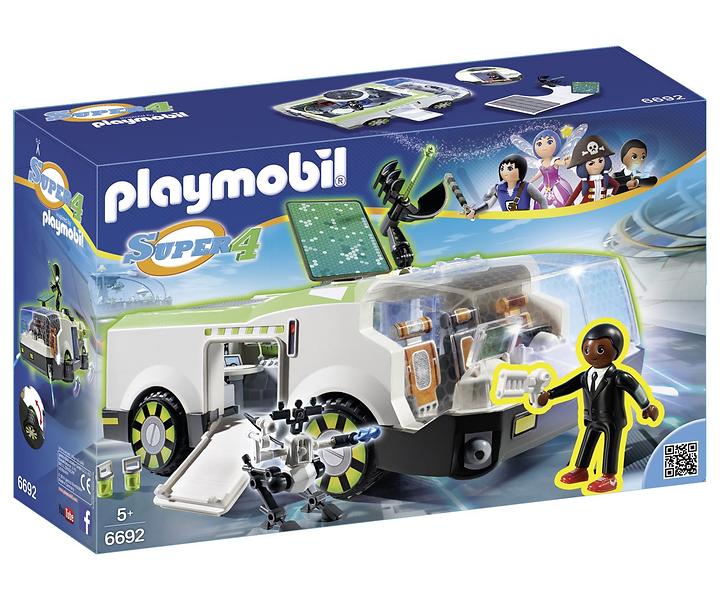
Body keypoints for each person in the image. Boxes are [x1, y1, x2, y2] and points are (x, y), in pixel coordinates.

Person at [536, 322, 661, 493]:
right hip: (591, 418)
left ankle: (609, 476)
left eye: (600, 349)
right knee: (587, 442)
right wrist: (550, 394)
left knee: (611, 446)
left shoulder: (618, 376)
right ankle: (581, 470)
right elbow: (568, 386)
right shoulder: (585, 376)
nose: (592, 354)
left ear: (615, 350)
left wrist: (646, 406)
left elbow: (635, 388)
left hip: (612, 419)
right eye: (587, 349)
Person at [467, 154, 548, 215]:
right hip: (508, 221)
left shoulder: (527, 187)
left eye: (509, 168)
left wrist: (544, 215)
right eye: (502, 168)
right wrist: (474, 211)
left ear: (520, 170)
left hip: (525, 221)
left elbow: (542, 200)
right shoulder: (499, 189)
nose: (504, 171)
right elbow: (488, 205)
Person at [565, 135, 619, 205]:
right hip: (586, 207)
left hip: (602, 206)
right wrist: (566, 206)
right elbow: (574, 195)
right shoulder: (585, 181)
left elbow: (616, 185)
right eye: (591, 163)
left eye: (600, 161)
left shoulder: (605, 178)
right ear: (583, 167)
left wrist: (612, 195)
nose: (596, 166)